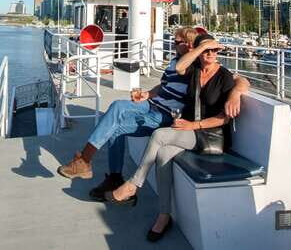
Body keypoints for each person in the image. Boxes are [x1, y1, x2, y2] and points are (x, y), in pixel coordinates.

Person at [105, 33, 250, 242]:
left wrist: (234, 94)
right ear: (198, 52)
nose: (210, 54)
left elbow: (224, 118)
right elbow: (180, 66)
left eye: (214, 50)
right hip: (189, 130)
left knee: (159, 134)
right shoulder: (193, 71)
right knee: (163, 155)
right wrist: (200, 48)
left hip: (208, 135)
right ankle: (164, 216)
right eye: (206, 50)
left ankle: (133, 184)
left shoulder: (224, 76)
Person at [56, 27, 198, 201]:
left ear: (190, 45)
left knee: (116, 129)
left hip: (165, 116)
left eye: (177, 43)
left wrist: (198, 49)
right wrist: (148, 94)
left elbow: (185, 67)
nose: (173, 45)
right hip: (153, 104)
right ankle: (89, 164)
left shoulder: (193, 64)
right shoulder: (174, 61)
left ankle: (93, 166)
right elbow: (163, 86)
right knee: (117, 105)